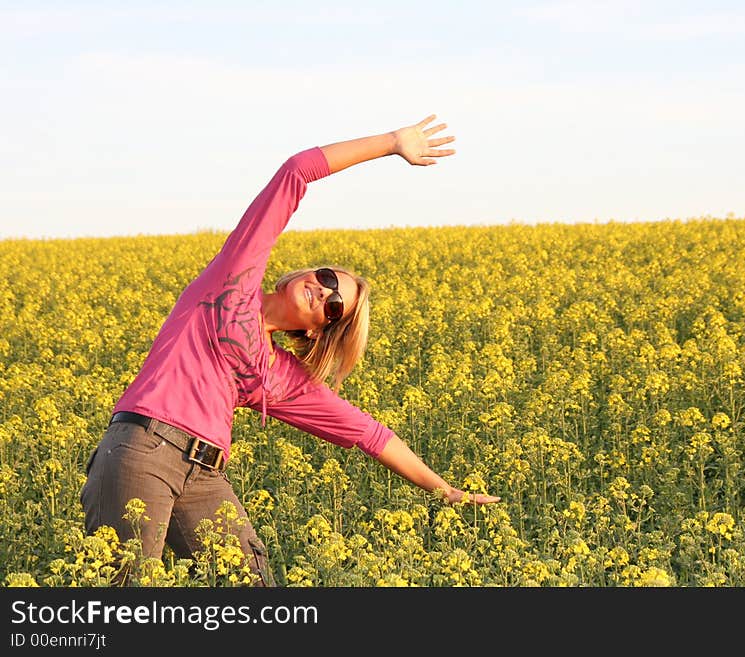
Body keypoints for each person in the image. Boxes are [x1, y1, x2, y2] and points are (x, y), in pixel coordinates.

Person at [79, 114, 501, 586]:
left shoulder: (278, 377)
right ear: (298, 276)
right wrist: (392, 143)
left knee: (257, 589)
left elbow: (370, 435)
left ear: (319, 331)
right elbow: (297, 172)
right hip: (144, 449)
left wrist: (444, 490)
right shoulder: (232, 279)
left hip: (202, 472)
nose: (324, 293)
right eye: (325, 279)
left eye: (335, 304)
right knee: (125, 592)